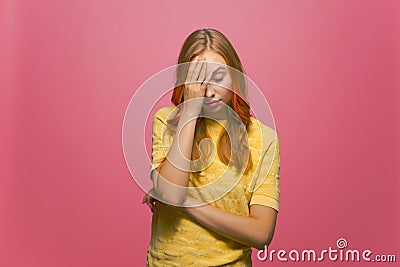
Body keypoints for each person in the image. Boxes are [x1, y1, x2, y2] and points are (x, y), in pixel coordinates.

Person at [142, 28, 280, 267]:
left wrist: (185, 202)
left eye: (217, 77)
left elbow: (261, 234)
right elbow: (171, 191)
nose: (208, 91)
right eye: (198, 81)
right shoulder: (166, 121)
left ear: (235, 76)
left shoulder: (264, 138)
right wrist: (191, 110)